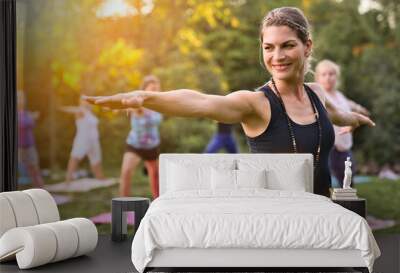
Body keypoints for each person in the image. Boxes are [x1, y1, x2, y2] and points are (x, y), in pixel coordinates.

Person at [85, 7, 375, 197]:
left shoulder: (316, 93)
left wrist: (357, 119)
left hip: (322, 213)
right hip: (276, 219)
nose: (277, 56)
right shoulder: (256, 103)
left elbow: (336, 114)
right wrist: (145, 98)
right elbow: (200, 103)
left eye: (288, 45)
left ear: (306, 45)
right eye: (269, 47)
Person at [315, 59, 370, 188]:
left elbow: (352, 105)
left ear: (337, 77)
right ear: (318, 78)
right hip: (328, 148)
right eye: (324, 74)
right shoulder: (319, 95)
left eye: (331, 74)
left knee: (348, 183)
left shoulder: (339, 95)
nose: (328, 77)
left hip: (344, 148)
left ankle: (349, 207)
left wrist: (360, 109)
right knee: (324, 184)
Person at [119, 75, 163, 198]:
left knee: (155, 176)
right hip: (135, 144)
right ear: (144, 89)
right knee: (126, 172)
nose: (155, 91)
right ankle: (123, 205)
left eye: (157, 89)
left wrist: (143, 112)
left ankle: (157, 203)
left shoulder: (159, 105)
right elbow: (127, 105)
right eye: (152, 88)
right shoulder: (136, 103)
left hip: (152, 146)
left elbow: (157, 121)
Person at [60, 96, 105, 183]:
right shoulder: (80, 111)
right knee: (75, 158)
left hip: (94, 141)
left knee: (96, 159)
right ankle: (68, 179)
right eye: (84, 100)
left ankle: (100, 177)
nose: (86, 102)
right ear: (80, 101)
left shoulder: (90, 112)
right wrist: (61, 108)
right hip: (82, 140)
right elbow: (73, 109)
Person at [17, 91, 44, 187]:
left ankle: (41, 192)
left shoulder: (26, 112)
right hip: (19, 148)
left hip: (29, 146)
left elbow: (31, 124)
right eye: (19, 98)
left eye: (22, 98)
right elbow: (22, 124)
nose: (21, 101)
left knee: (35, 170)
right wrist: (31, 118)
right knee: (22, 173)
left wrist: (31, 118)